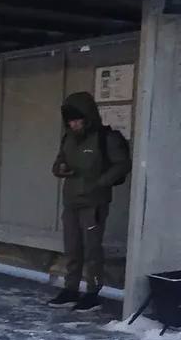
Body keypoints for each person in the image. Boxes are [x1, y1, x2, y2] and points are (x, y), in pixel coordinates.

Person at [49, 92, 131, 313]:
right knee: (72, 248)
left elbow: (123, 164)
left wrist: (100, 182)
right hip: (71, 202)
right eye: (70, 121)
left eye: (77, 120)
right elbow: (58, 163)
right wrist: (61, 169)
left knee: (92, 250)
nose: (73, 125)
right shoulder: (68, 139)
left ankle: (93, 293)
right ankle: (71, 289)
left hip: (94, 204)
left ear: (88, 118)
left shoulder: (106, 138)